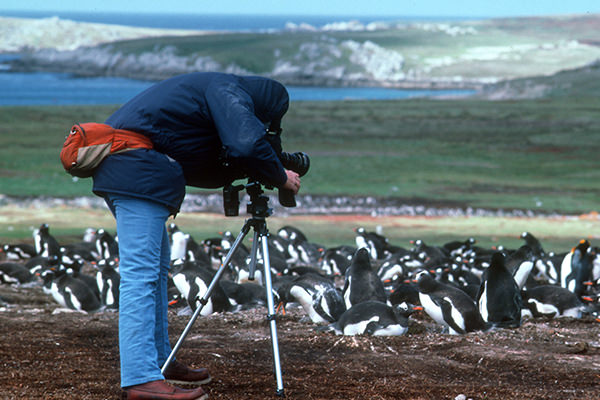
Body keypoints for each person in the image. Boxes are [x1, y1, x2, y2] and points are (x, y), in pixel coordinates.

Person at [91, 72, 301, 400]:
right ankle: (141, 380)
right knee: (140, 278)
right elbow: (245, 143)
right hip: (134, 168)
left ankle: (159, 361)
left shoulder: (212, 91)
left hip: (135, 170)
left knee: (154, 275)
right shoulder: (229, 89)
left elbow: (208, 162)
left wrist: (260, 165)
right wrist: (279, 176)